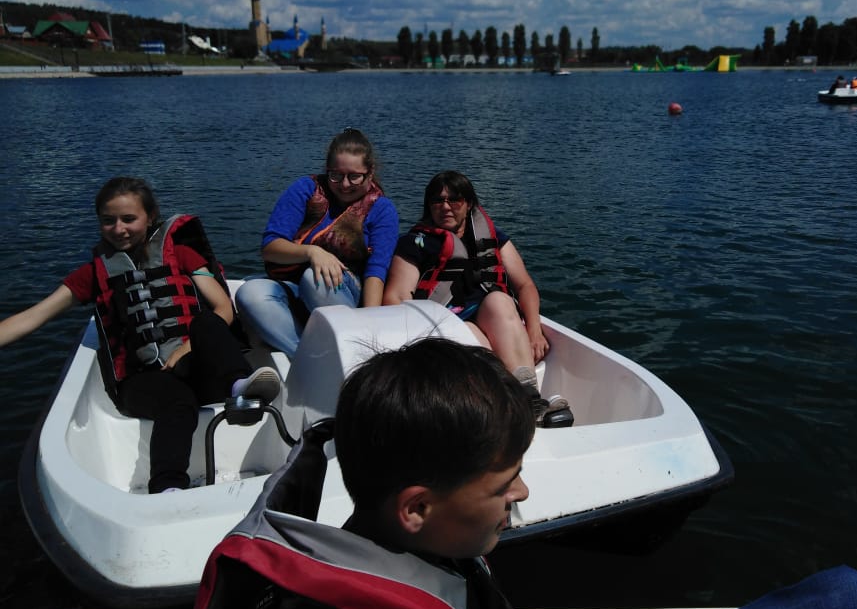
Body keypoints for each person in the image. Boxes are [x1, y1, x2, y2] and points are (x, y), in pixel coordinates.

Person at [193, 339, 857, 609]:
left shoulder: (410, 541)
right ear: (418, 507)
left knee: (849, 597)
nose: (523, 490)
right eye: (504, 482)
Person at [0, 177, 281, 493]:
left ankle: (241, 388)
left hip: (196, 368)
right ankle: (167, 488)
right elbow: (35, 315)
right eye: (108, 220)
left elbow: (223, 308)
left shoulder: (183, 255)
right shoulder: (93, 273)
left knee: (206, 322)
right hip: (143, 381)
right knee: (177, 401)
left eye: (128, 219)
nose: (118, 229)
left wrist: (185, 348)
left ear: (150, 217)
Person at [382, 170, 571, 427]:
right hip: (444, 320)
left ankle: (528, 398)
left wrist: (534, 329)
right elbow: (396, 296)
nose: (445, 206)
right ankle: (522, 407)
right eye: (437, 200)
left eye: (454, 199)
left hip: (489, 314)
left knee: (500, 300)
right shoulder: (415, 243)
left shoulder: (492, 238)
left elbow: (525, 285)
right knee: (470, 334)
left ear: (469, 203)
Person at [235, 128, 399, 359]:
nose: (344, 184)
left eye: (354, 176)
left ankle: (353, 354)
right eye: (336, 175)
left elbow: (376, 271)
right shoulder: (306, 189)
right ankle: (308, 358)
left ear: (370, 173)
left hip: (344, 294)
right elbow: (270, 248)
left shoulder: (382, 209)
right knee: (250, 292)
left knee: (315, 279)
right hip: (294, 288)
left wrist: (371, 328)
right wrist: (312, 252)